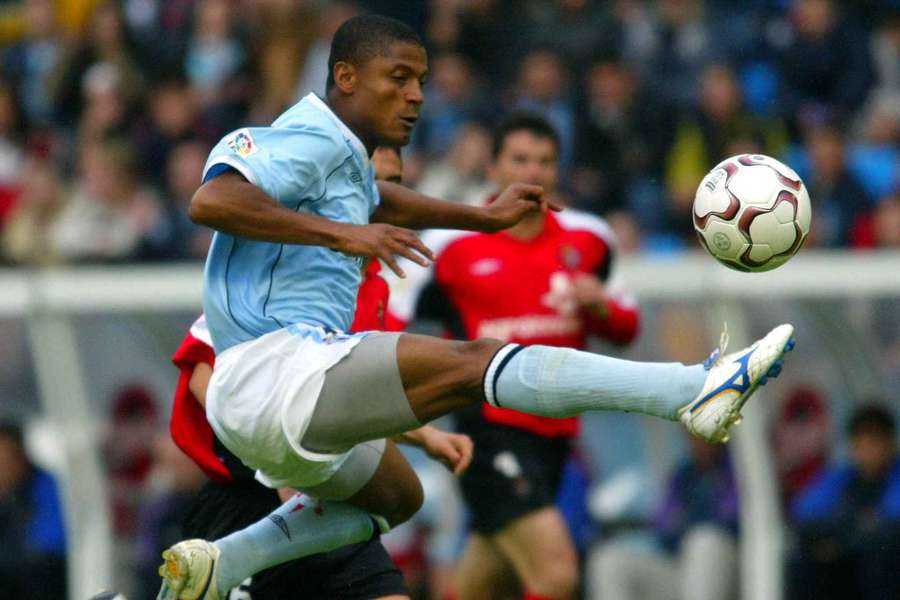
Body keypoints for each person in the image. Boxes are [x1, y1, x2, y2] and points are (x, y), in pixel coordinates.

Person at [156, 14, 795, 600]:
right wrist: (347, 236)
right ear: (345, 77)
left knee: (396, 497)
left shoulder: (343, 158)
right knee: (475, 361)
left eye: (422, 82)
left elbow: (381, 201)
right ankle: (691, 391)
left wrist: (480, 218)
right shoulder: (305, 137)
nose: (416, 96)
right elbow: (211, 203)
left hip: (278, 403)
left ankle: (226, 564)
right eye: (399, 78)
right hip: (272, 374)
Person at [165, 145, 471, 600]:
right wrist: (272, 450)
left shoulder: (375, 290)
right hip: (247, 500)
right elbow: (202, 369)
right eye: (368, 188)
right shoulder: (287, 267)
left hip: (325, 497)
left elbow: (354, 399)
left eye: (393, 189)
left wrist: (427, 437)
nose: (379, 202)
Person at [386, 112, 639, 600]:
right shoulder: (451, 243)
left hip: (558, 440)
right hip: (489, 433)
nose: (532, 172)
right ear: (494, 167)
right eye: (519, 159)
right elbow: (386, 326)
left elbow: (627, 327)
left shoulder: (588, 238)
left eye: (544, 161)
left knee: (483, 581)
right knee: (557, 573)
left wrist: (600, 306)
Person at [587, 436, 740, 600]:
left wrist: (687, 524)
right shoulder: (684, 474)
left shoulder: (738, 466)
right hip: (682, 566)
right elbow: (664, 527)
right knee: (608, 561)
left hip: (732, 564)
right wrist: (680, 527)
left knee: (704, 542)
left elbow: (732, 518)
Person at [788, 403, 900, 600]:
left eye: (875, 441)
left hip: (882, 571)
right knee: (802, 563)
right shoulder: (842, 478)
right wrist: (852, 530)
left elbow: (890, 527)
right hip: (845, 564)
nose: (868, 450)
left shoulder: (894, 478)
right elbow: (804, 515)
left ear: (890, 442)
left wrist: (843, 539)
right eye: (862, 442)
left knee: (880, 558)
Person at [0, 420, 67, 600]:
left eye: (5, 460)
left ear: (20, 457)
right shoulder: (8, 498)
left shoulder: (48, 489)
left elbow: (48, 549)